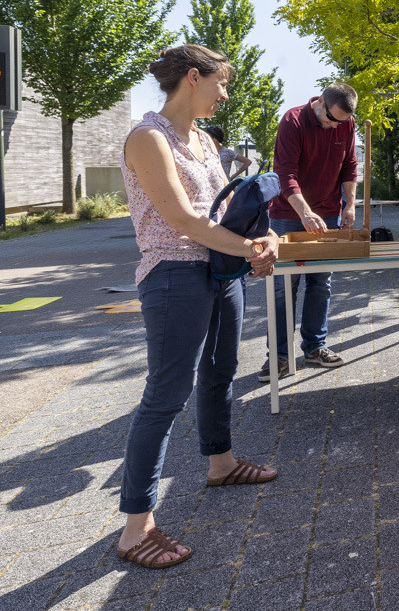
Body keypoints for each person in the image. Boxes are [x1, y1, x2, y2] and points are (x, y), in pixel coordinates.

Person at [116, 44, 280, 569]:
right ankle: (135, 528)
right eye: (221, 84)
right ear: (193, 77)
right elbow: (185, 220)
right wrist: (250, 250)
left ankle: (221, 463)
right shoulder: (147, 138)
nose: (225, 94)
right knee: (166, 395)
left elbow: (228, 211)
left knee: (219, 373)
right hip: (173, 276)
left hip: (219, 270)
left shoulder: (205, 141)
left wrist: (267, 235)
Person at [260, 83, 359, 381]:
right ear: (320, 104)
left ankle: (315, 348)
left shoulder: (345, 122)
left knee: (321, 283)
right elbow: (285, 173)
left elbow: (350, 166)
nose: (335, 127)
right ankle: (278, 356)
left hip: (328, 212)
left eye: (342, 122)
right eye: (332, 120)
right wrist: (304, 211)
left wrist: (350, 204)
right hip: (289, 214)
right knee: (282, 287)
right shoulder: (292, 121)